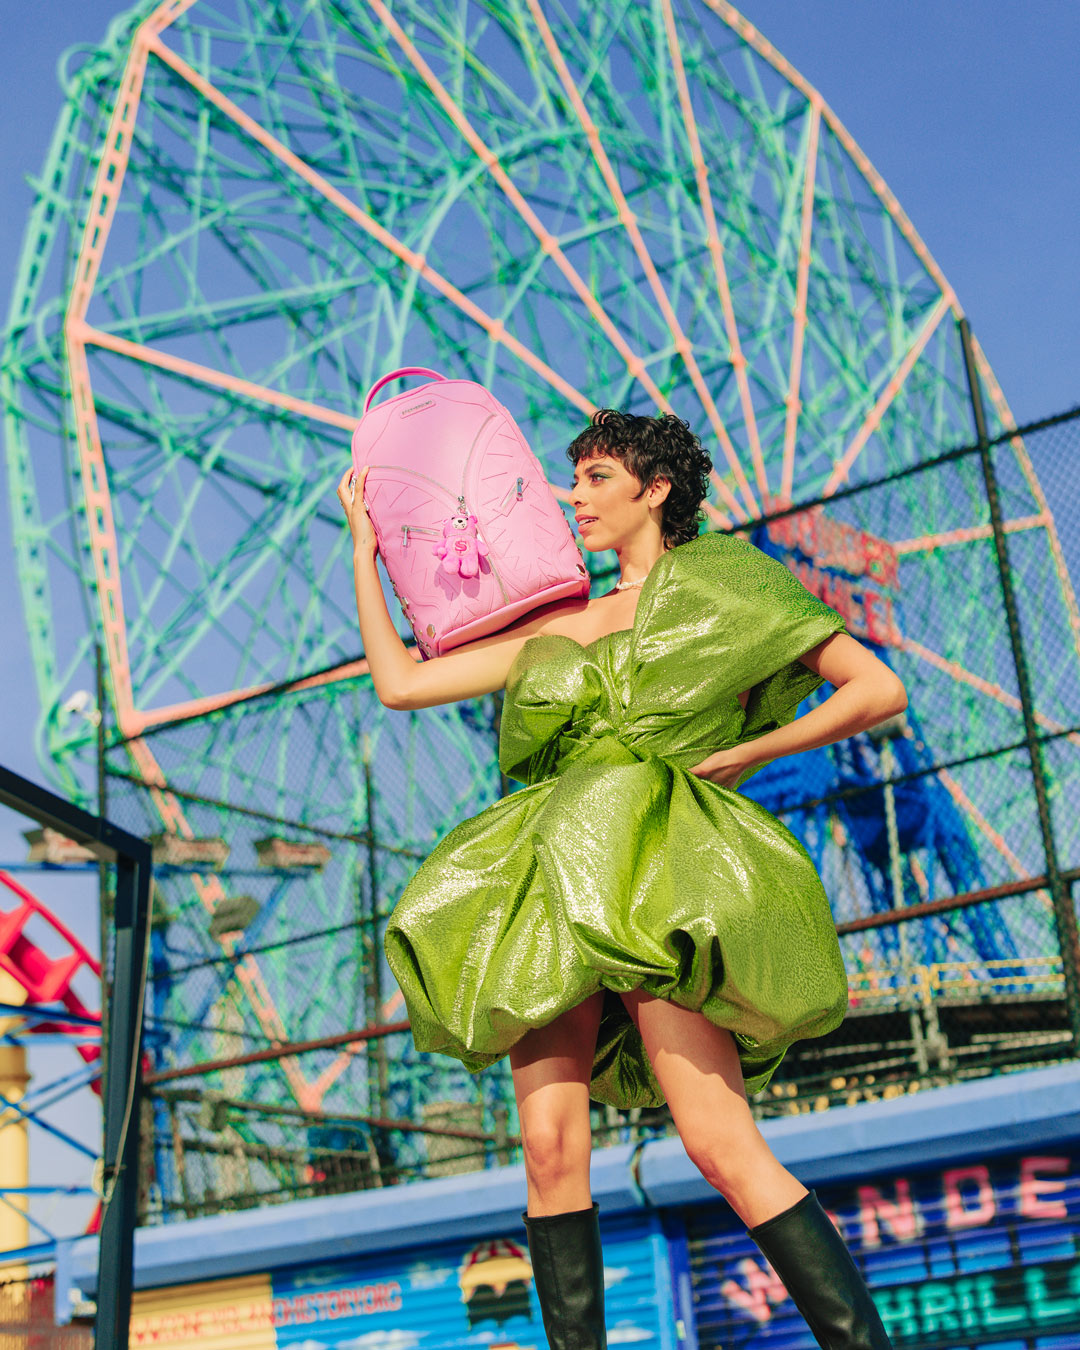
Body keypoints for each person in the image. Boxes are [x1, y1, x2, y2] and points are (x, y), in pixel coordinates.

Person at [336, 409, 903, 1350]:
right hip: (546, 876)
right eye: (573, 480)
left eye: (596, 477)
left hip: (655, 874)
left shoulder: (728, 584)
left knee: (720, 1144)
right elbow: (397, 683)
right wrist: (368, 549)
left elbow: (875, 688)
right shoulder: (562, 624)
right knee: (549, 1154)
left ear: (656, 488)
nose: (574, 498)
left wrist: (747, 754)